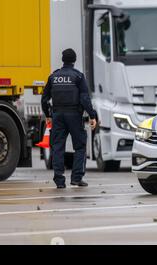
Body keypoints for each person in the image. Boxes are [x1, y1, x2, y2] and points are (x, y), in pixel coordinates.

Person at [41, 48, 98, 189]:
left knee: (58, 147)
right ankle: (77, 178)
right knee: (79, 146)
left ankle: (59, 180)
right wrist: (92, 115)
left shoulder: (53, 77)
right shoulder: (78, 77)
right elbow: (84, 98)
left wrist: (48, 115)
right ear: (74, 60)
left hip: (58, 115)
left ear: (63, 60)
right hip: (74, 115)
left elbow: (44, 99)